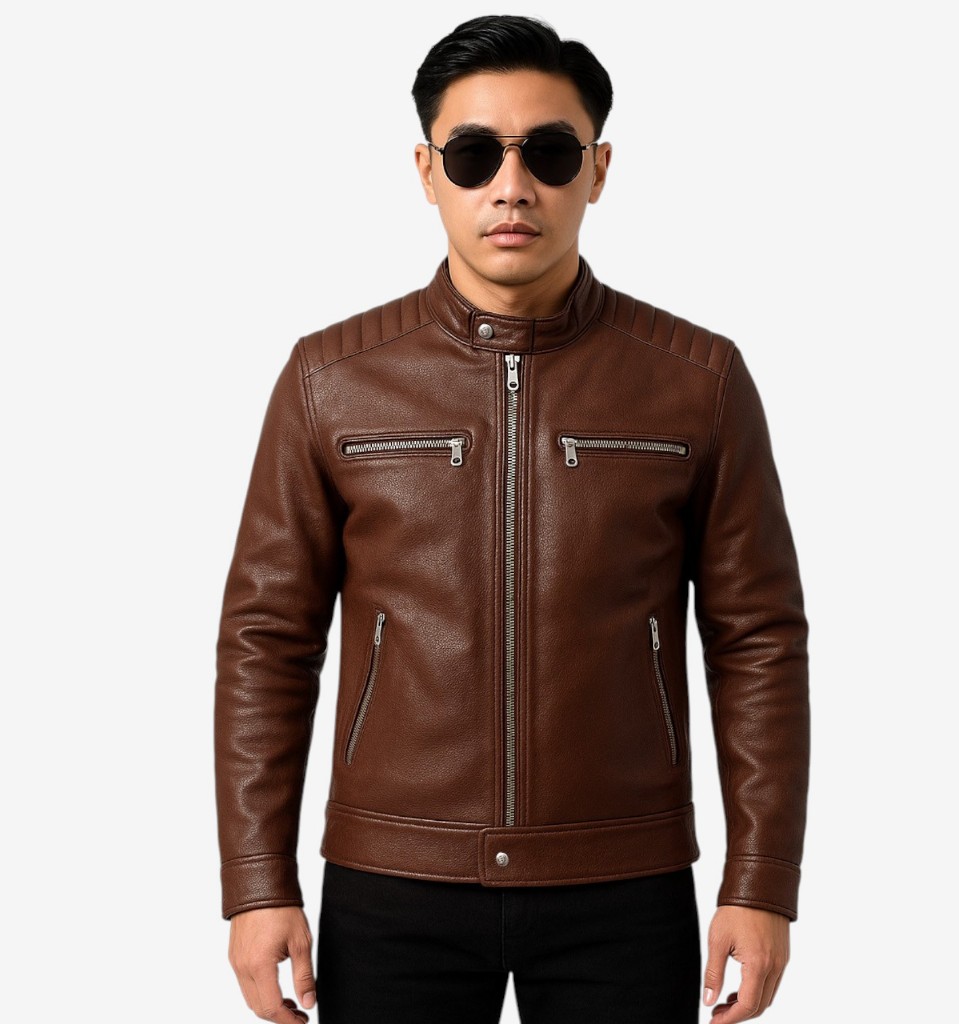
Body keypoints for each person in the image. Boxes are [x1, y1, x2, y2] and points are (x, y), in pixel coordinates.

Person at [214, 14, 810, 1024]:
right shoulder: (332, 379)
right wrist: (255, 881)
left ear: (598, 169)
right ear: (427, 170)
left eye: (549, 152)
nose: (512, 185)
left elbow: (758, 638)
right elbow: (266, 638)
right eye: (474, 154)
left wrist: (761, 881)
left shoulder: (696, 380)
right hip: (393, 879)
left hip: (623, 882)